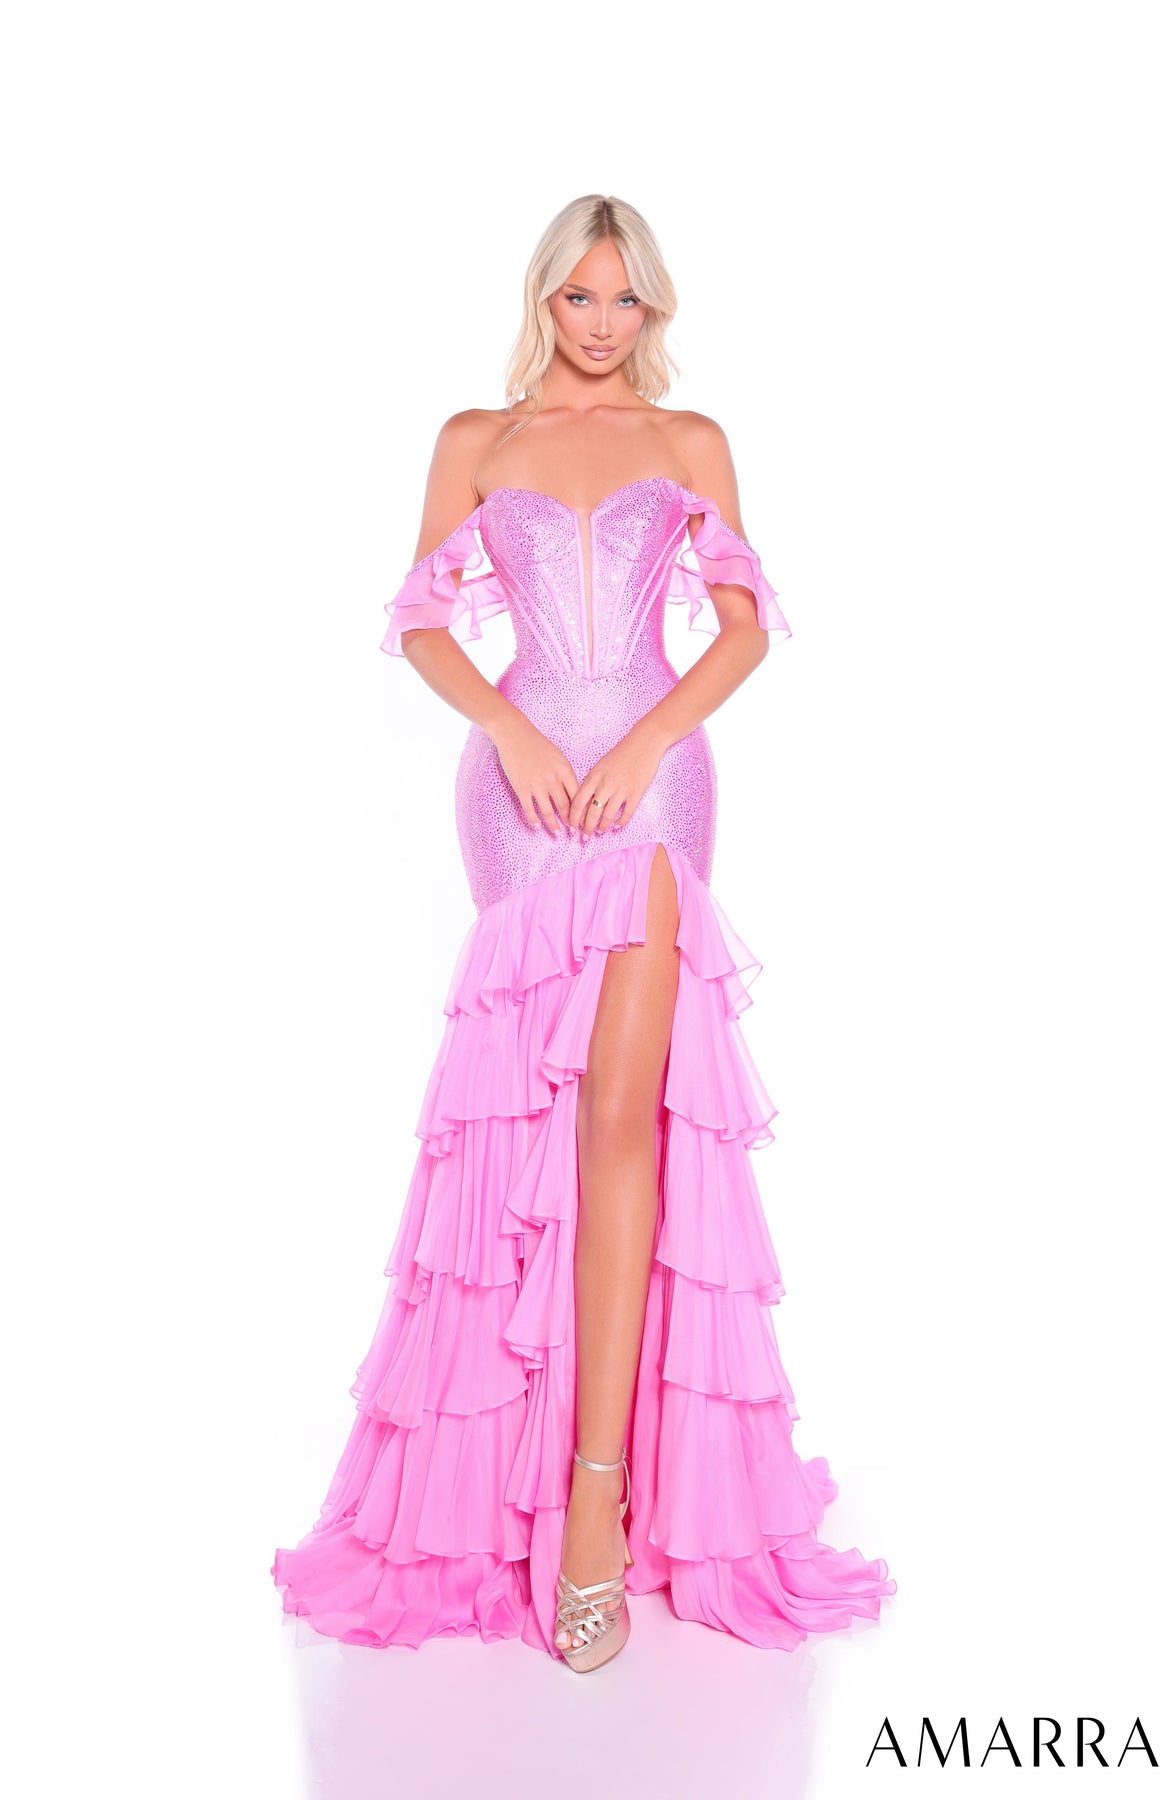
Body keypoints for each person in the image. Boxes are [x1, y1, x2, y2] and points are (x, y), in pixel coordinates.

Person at [272, 194, 896, 1672]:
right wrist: (508, 730)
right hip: (518, 789)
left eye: (626, 300)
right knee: (516, 1123)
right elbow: (423, 622)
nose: (603, 324)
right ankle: (499, 1477)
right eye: (580, 297)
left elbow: (741, 628)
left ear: (651, 309)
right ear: (543, 299)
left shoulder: (690, 443)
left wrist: (645, 742)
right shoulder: (476, 439)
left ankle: (601, 1502)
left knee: (624, 1121)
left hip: (654, 784)